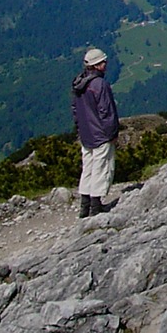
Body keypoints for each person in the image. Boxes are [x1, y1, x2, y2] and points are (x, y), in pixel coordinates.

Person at [71, 47, 120, 218]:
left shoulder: (79, 83)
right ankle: (96, 207)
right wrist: (112, 133)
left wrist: (79, 130)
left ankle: (84, 207)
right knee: (102, 168)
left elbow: (75, 110)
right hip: (101, 134)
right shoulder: (100, 85)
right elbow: (106, 112)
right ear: (97, 65)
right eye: (103, 62)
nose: (105, 64)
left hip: (86, 134)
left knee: (88, 168)